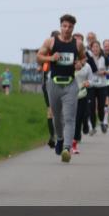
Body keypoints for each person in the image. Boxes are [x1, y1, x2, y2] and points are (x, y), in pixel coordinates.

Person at [37, 14, 86, 163]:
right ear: (60, 26)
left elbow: (83, 58)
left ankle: (66, 148)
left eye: (70, 27)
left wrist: (80, 64)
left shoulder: (77, 44)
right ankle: (59, 138)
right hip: (54, 84)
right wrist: (51, 58)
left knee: (70, 118)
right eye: (64, 26)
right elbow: (39, 56)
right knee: (57, 117)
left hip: (70, 84)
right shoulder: (51, 42)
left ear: (73, 28)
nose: (67, 29)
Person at [71, 52, 94, 155]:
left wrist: (88, 83)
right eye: (83, 60)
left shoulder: (87, 67)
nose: (85, 62)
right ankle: (64, 140)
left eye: (85, 60)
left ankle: (74, 145)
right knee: (68, 119)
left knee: (78, 120)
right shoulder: (68, 69)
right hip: (69, 97)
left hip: (82, 96)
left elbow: (91, 80)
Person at [87, 40, 109, 135]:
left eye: (97, 47)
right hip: (91, 85)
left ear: (99, 48)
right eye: (94, 47)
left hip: (102, 85)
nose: (95, 48)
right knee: (91, 107)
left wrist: (106, 72)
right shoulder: (88, 59)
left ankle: (102, 122)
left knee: (101, 106)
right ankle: (92, 126)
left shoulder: (104, 58)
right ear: (91, 48)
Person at [42, 30, 58, 148]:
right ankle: (52, 136)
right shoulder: (46, 53)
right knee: (50, 110)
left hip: (62, 84)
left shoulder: (64, 52)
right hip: (47, 84)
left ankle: (62, 135)